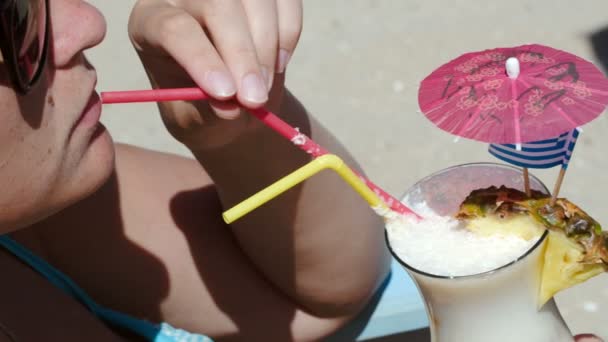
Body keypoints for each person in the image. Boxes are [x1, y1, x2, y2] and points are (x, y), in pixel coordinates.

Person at [0, 0, 391, 341]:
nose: (90, 24)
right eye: (14, 16)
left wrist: (238, 139)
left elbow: (326, 296)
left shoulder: (38, 224)